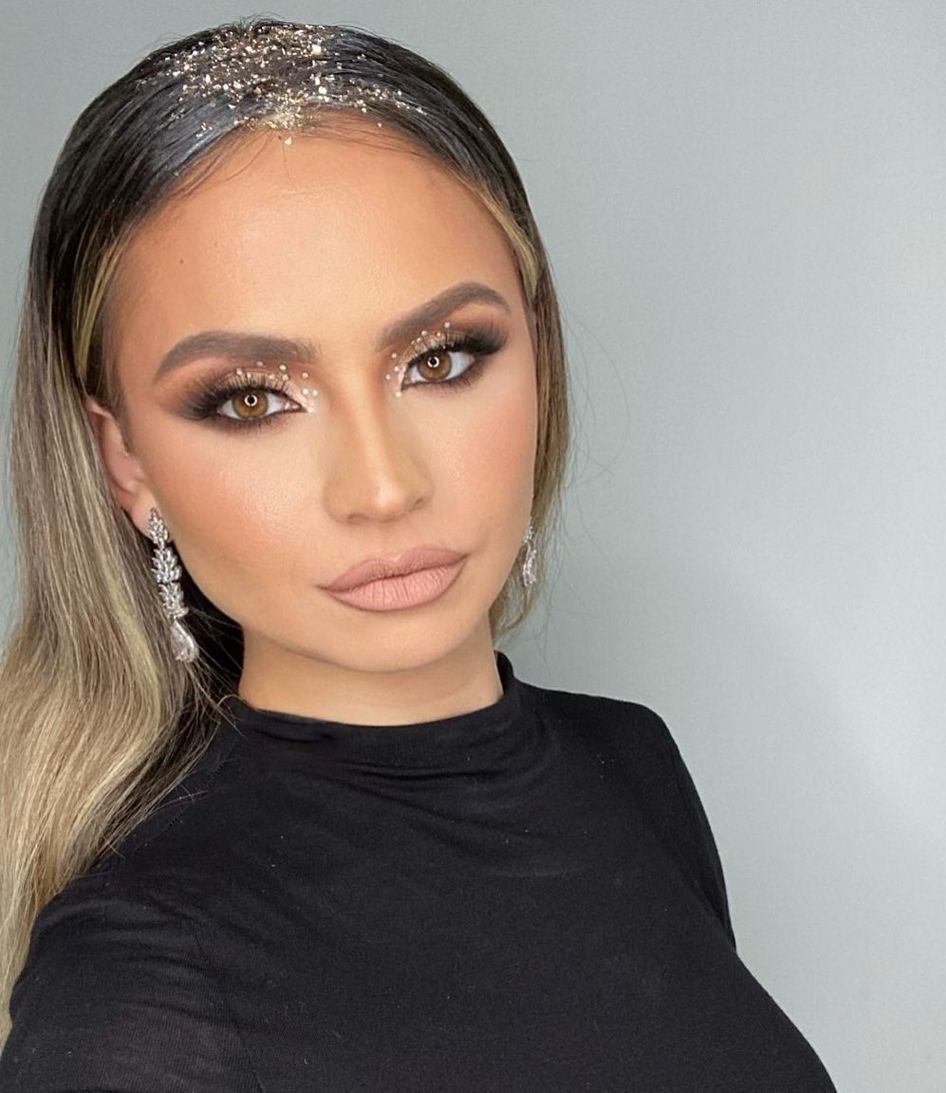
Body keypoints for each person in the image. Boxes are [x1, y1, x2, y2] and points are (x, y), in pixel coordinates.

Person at [0, 18, 837, 1091]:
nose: (384, 486)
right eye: (251, 399)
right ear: (126, 459)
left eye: (440, 360)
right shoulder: (139, 990)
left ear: (537, 350)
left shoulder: (632, 767)